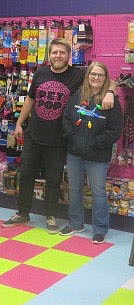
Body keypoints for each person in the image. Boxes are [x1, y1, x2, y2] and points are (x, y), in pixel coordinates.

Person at [1, 38, 115, 234]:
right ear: (49, 54)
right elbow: (30, 100)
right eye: (54, 52)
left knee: (53, 179)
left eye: (62, 53)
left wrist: (111, 92)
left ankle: (51, 215)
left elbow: (104, 77)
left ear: (69, 56)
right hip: (34, 135)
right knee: (26, 175)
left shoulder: (78, 75)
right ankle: (22, 212)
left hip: (58, 139)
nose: (58, 56)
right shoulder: (40, 72)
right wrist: (19, 123)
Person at [61, 61, 122, 243]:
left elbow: (114, 130)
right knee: (74, 189)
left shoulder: (111, 102)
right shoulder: (78, 95)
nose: (96, 78)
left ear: (105, 79)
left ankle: (100, 229)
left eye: (100, 75)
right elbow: (66, 118)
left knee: (98, 192)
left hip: (97, 155)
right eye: (92, 74)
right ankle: (75, 223)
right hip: (75, 153)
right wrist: (72, 137)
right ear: (88, 76)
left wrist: (95, 143)